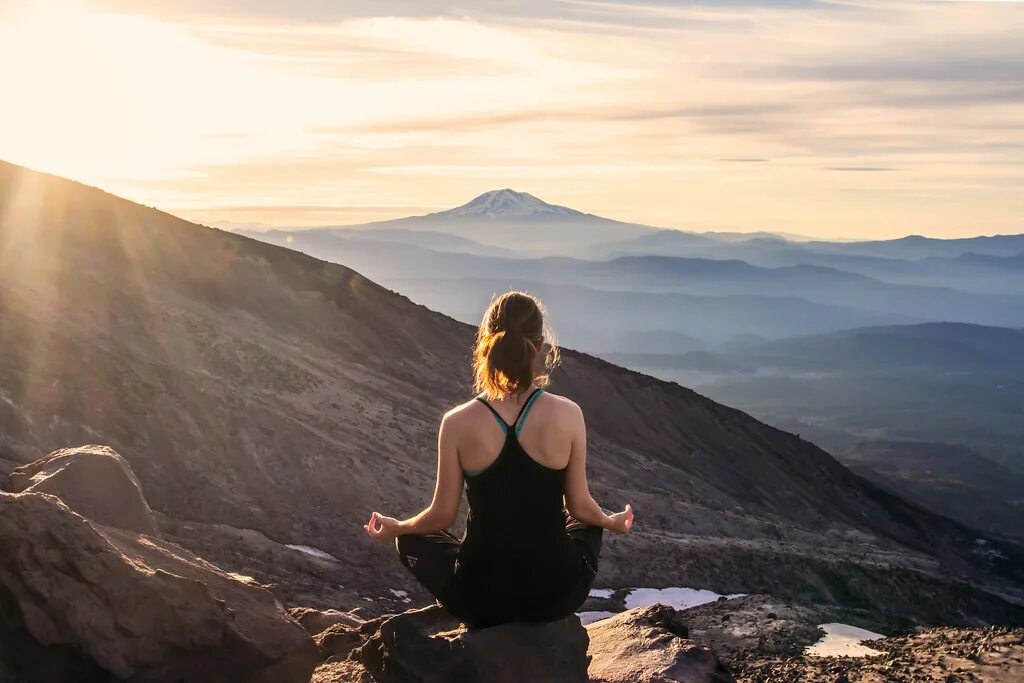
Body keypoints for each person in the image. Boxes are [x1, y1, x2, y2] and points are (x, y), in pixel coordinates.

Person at [363, 291, 634, 628]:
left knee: (411, 537)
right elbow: (579, 507)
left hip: (483, 599)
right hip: (554, 595)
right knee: (588, 522)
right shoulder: (568, 414)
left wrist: (398, 528)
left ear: (487, 344)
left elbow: (442, 515)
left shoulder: (458, 421)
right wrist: (610, 521)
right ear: (538, 347)